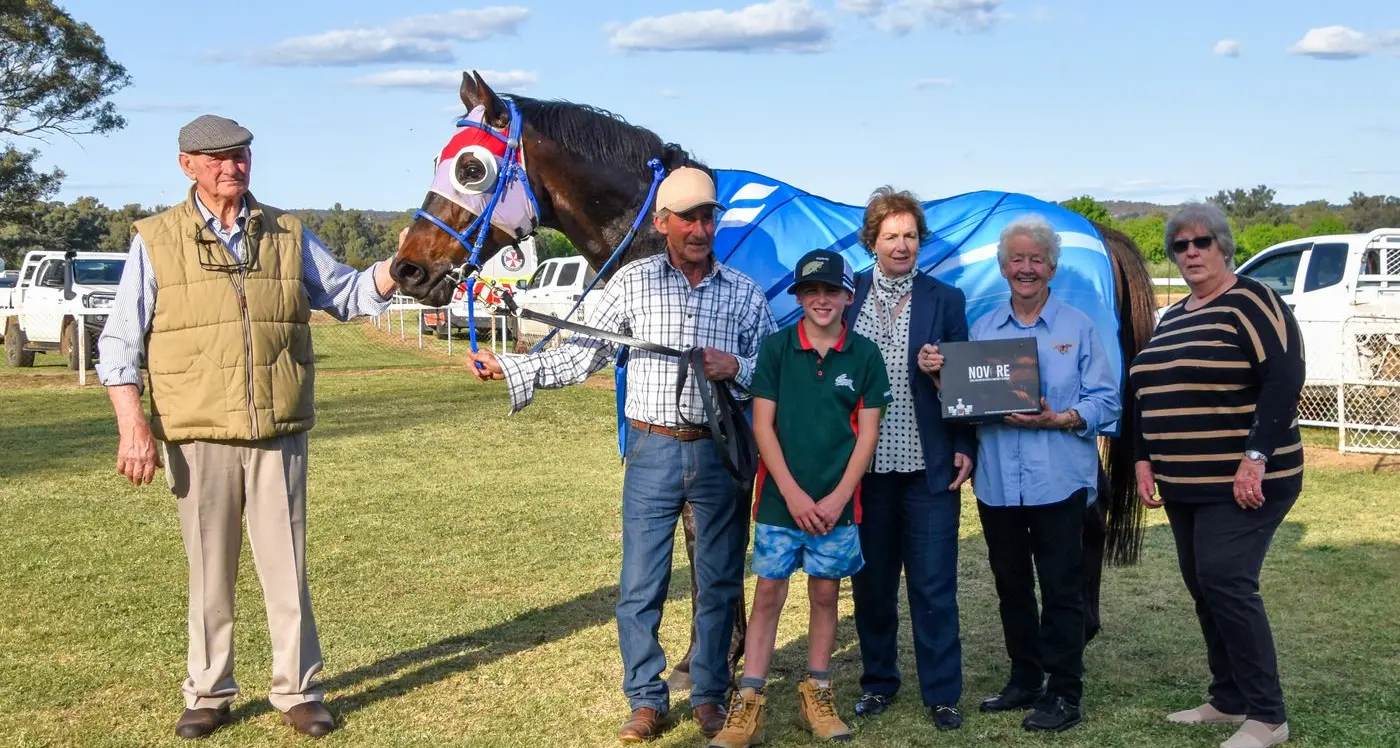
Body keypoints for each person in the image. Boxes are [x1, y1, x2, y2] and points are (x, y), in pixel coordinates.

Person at [95, 114, 401, 739]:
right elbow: (120, 341)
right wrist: (134, 427)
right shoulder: (155, 239)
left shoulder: (288, 232)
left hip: (277, 429)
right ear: (187, 166)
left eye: (240, 156)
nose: (231, 167)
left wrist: (403, 263)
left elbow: (345, 293)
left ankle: (298, 691)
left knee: (286, 565)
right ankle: (209, 692)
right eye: (216, 159)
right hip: (196, 430)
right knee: (210, 568)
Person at [466, 167, 778, 743]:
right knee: (641, 584)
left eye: (707, 216)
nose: (698, 228)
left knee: (718, 582)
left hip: (719, 454)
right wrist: (514, 366)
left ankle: (710, 694)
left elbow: (775, 375)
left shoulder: (743, 294)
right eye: (686, 217)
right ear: (662, 224)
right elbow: (581, 353)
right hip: (652, 448)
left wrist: (736, 367)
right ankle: (646, 699)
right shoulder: (633, 284)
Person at [1130, 202, 1305, 748]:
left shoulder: (1253, 301)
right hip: (1185, 483)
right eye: (1179, 246)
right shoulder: (1174, 315)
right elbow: (1145, 390)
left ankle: (1268, 715)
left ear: (1224, 246)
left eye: (1201, 242)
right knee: (1204, 586)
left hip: (1246, 479)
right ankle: (1229, 698)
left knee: (1228, 582)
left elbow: (1284, 376)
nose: (1190, 253)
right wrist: (1141, 458)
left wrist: (1255, 457)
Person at [708, 249, 890, 747]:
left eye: (831, 291)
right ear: (800, 298)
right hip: (778, 502)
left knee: (826, 593)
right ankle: (748, 702)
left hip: (838, 505)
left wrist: (837, 499)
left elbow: (867, 436)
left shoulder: (865, 355)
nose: (821, 300)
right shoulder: (777, 348)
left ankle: (819, 692)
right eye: (811, 291)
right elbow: (762, 425)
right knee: (768, 593)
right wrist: (790, 492)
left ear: (849, 297)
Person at [963, 215, 1119, 732]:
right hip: (999, 484)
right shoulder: (982, 332)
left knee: (1061, 588)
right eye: (1017, 259)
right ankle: (1025, 678)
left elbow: (1107, 400)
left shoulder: (1078, 327)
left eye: (1036, 259)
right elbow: (967, 400)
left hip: (1059, 481)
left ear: (1052, 267)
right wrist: (942, 372)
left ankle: (1065, 691)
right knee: (1011, 586)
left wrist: (1062, 417)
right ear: (1003, 266)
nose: (1026, 268)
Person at [842, 186, 974, 731]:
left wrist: (965, 444)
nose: (902, 245)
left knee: (934, 587)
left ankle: (942, 693)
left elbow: (966, 382)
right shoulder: (844, 296)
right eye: (891, 236)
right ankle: (878, 683)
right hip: (863, 472)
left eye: (911, 236)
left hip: (928, 468)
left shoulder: (946, 299)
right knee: (872, 587)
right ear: (872, 241)